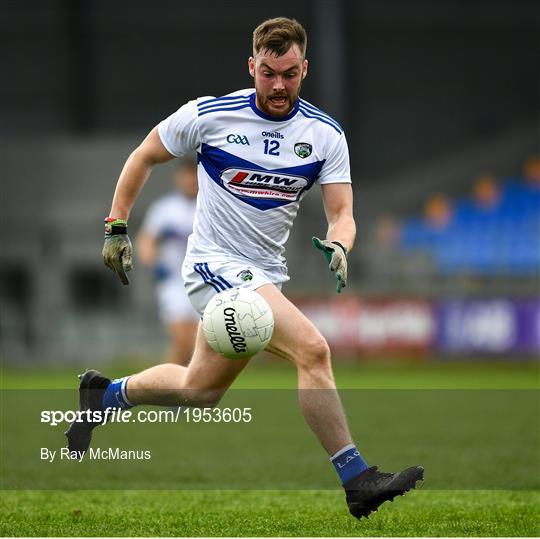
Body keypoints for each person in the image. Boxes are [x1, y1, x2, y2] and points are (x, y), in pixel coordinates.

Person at [67, 17, 423, 519]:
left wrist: (341, 246)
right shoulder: (210, 115)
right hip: (213, 266)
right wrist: (116, 226)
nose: (280, 86)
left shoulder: (324, 135)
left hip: (263, 275)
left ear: (306, 68)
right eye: (269, 74)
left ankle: (104, 395)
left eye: (291, 74)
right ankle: (357, 479)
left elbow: (342, 214)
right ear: (252, 67)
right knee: (314, 351)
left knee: (200, 391)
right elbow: (144, 155)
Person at [136, 157, 199, 365]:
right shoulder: (165, 209)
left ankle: (183, 391)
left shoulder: (209, 207)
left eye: (195, 177)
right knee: (182, 340)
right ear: (179, 178)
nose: (191, 181)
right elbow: (146, 241)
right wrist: (154, 264)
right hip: (175, 281)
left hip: (205, 281)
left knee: (200, 344)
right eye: (187, 177)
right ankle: (176, 390)